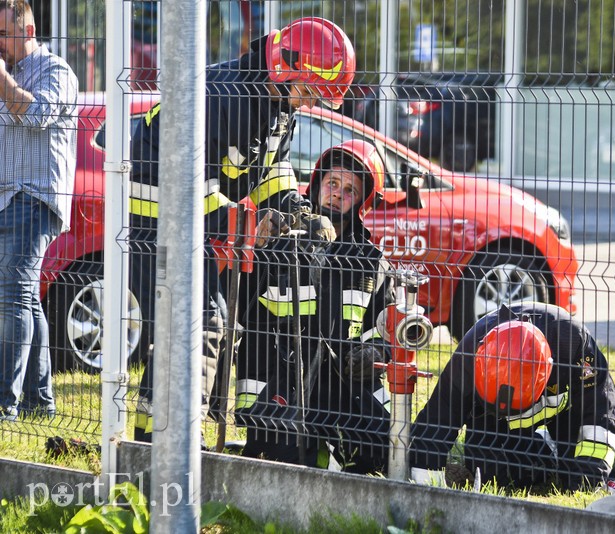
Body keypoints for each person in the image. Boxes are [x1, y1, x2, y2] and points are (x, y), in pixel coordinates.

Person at [130, 17, 355, 442]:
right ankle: (180, 443)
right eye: (307, 91)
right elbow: (188, 187)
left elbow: (273, 170)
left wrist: (297, 209)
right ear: (283, 66)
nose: (307, 103)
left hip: (200, 223)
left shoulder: (277, 106)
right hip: (155, 220)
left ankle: (153, 438)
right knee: (201, 320)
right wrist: (251, 224)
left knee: (218, 322)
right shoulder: (220, 96)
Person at [235, 139, 395, 474]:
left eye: (349, 189)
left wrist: (376, 353)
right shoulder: (281, 239)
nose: (337, 194)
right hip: (279, 381)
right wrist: (259, 244)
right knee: (288, 457)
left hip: (341, 381)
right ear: (317, 184)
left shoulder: (370, 261)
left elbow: (386, 330)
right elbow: (242, 307)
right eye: (333, 183)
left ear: (362, 202)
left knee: (379, 452)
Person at [410, 301, 615, 490]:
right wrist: (427, 490)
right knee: (491, 472)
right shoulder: (468, 357)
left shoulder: (573, 344)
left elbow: (599, 415)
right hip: (494, 419)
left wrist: (587, 483)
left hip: (566, 412)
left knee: (606, 462)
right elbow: (435, 424)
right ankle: (545, 448)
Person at [0, 0, 77, 420]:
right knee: (24, 298)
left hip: (34, 198)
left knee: (11, 298)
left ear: (26, 31)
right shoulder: (8, 72)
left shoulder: (56, 71)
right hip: (5, 197)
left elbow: (37, 114)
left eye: (2, 35)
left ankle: (4, 405)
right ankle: (39, 401)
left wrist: (1, 81)